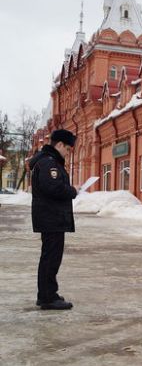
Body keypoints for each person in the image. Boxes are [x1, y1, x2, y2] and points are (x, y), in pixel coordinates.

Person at [29, 129, 78, 310]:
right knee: (50, 258)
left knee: (50, 257)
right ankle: (48, 297)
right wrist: (72, 191)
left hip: (51, 217)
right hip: (51, 218)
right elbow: (53, 188)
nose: (68, 152)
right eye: (67, 148)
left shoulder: (49, 161)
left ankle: (48, 294)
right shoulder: (49, 163)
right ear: (58, 145)